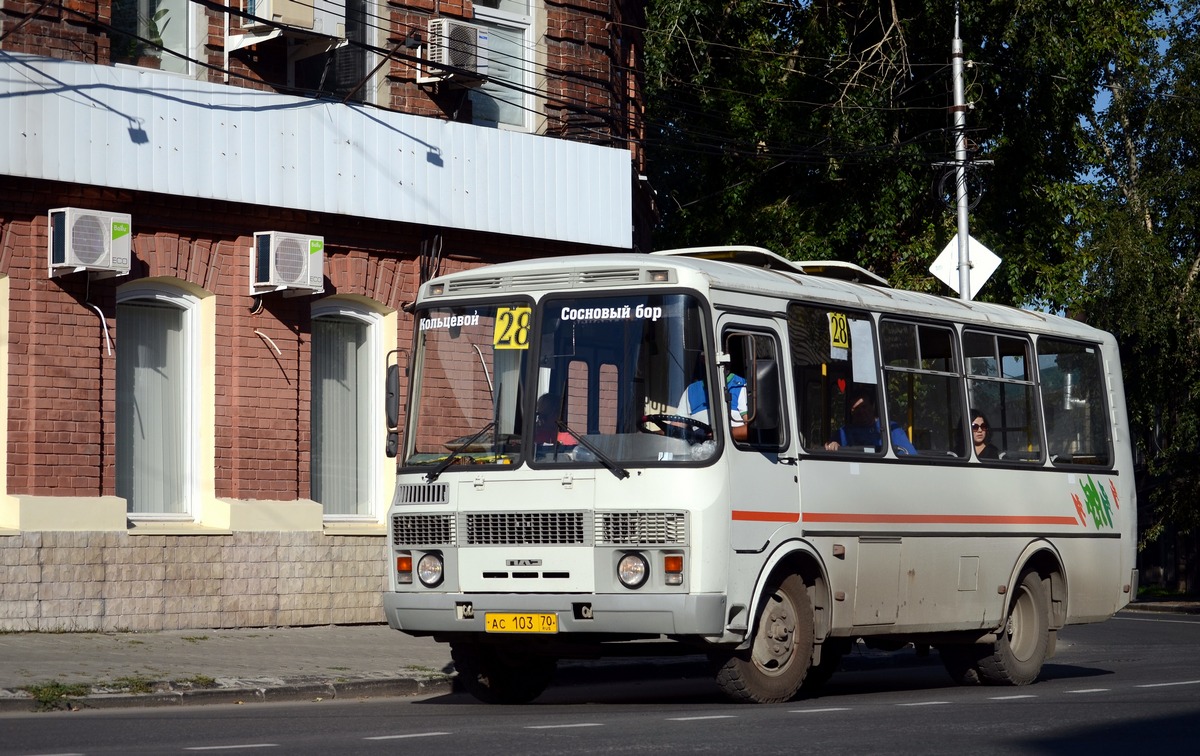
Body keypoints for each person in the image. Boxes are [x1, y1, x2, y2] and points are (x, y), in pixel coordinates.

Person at [824, 385, 916, 455]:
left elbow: (910, 455)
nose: (861, 412)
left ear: (872, 406)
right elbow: (828, 448)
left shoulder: (891, 429)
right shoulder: (844, 432)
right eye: (856, 409)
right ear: (851, 411)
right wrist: (833, 445)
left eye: (864, 407)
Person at [679, 370, 749, 442]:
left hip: (731, 449)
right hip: (699, 449)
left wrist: (720, 434)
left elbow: (752, 430)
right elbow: (678, 425)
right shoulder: (691, 390)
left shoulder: (742, 386)